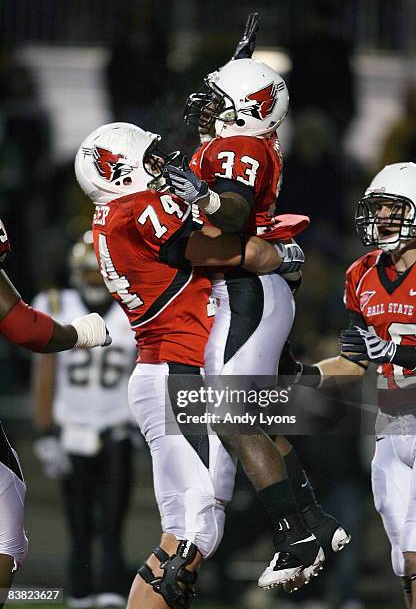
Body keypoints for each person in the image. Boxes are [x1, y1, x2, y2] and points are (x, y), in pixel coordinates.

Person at [74, 121, 300, 608]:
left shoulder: (113, 214)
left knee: (183, 537)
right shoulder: (137, 209)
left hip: (163, 371)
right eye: (150, 159)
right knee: (193, 536)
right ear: (120, 169)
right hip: (179, 373)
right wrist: (279, 254)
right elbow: (235, 251)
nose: (162, 166)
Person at [163, 54, 350, 590]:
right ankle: (313, 517)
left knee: (231, 418)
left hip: (245, 292)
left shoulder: (237, 145)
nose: (208, 110)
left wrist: (195, 193)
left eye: (220, 102)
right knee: (254, 420)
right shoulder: (244, 144)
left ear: (249, 109)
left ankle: (294, 537)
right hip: (255, 291)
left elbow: (234, 211)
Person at [281, 162, 416, 608]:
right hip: (391, 423)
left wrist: (394, 353)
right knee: (403, 556)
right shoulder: (360, 274)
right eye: (378, 210)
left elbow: (382, 351)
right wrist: (303, 376)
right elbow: (356, 361)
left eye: (393, 210)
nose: (382, 220)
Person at [0, 219, 110, 607]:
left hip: (110, 432)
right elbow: (27, 329)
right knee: (6, 540)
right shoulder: (58, 303)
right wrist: (77, 334)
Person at [32, 231, 137, 609]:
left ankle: (109, 596)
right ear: (77, 273)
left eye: (100, 274)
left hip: (117, 429)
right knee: (79, 528)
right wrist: (45, 431)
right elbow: (45, 374)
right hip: (72, 430)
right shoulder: (56, 303)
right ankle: (80, 596)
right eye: (89, 273)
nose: (94, 280)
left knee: (112, 526)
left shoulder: (132, 309)